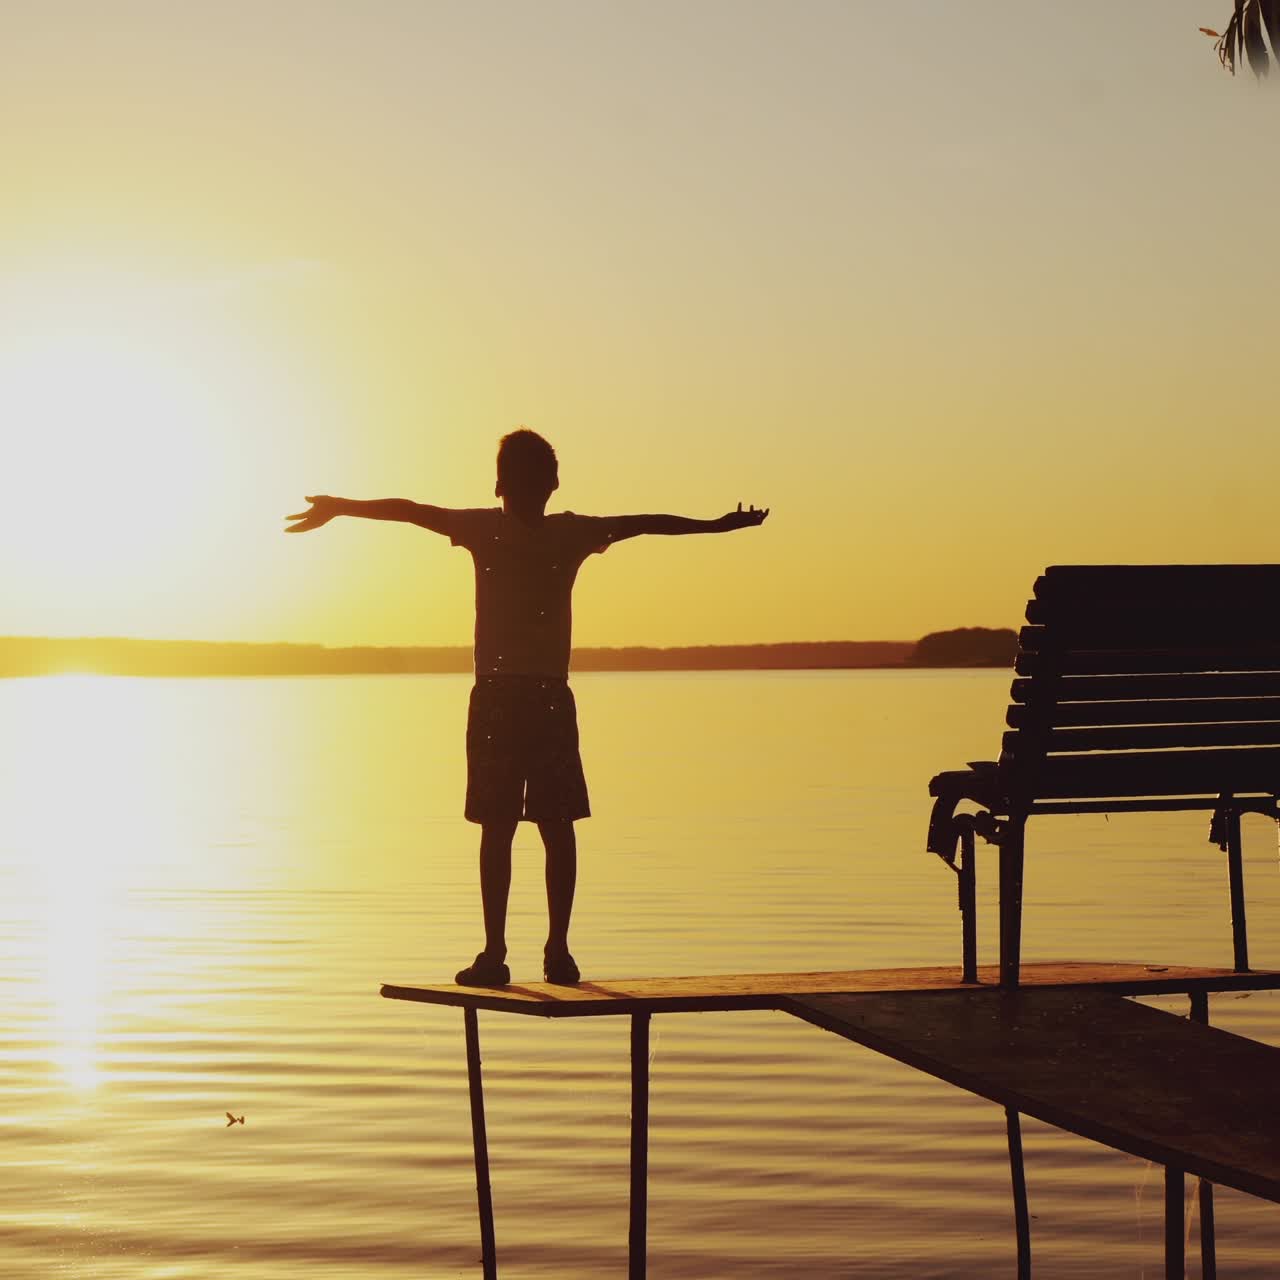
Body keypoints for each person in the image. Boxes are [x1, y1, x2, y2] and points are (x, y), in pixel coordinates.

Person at [286, 428, 768, 986]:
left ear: (498, 484)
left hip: (505, 696)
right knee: (550, 826)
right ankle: (548, 951)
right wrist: (714, 526)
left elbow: (412, 511)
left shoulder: (494, 528)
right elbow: (645, 523)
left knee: (511, 827)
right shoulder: (564, 533)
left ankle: (507, 953)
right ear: (553, 483)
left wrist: (341, 508)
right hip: (540, 697)